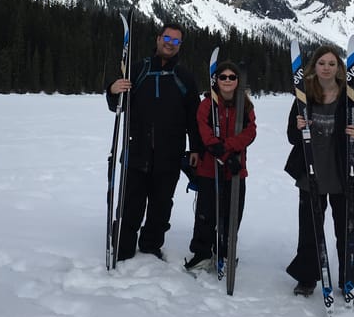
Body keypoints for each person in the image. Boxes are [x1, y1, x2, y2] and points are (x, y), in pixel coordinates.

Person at [106, 23, 201, 261]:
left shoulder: (185, 77)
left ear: (180, 45)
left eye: (176, 41)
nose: (170, 43)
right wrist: (112, 90)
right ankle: (123, 245)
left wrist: (197, 148)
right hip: (136, 151)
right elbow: (118, 105)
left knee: (161, 206)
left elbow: (194, 116)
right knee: (130, 204)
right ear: (158, 39)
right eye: (167, 38)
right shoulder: (138, 69)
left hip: (169, 155)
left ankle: (151, 245)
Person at [284, 44, 354, 304]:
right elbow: (291, 136)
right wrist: (298, 127)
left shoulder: (350, 97)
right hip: (311, 172)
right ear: (314, 67)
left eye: (332, 63)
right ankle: (307, 277)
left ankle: (350, 280)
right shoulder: (303, 96)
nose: (327, 68)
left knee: (347, 230)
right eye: (322, 63)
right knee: (309, 229)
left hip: (344, 174)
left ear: (339, 68)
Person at [184, 60, 257, 272]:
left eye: (231, 77)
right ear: (216, 80)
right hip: (209, 168)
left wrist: (227, 149)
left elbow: (250, 132)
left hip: (235, 169)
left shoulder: (245, 104)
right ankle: (202, 252)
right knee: (206, 212)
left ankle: (225, 251)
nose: (227, 81)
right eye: (222, 77)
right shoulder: (207, 104)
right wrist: (217, 148)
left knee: (232, 212)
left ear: (237, 81)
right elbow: (203, 129)